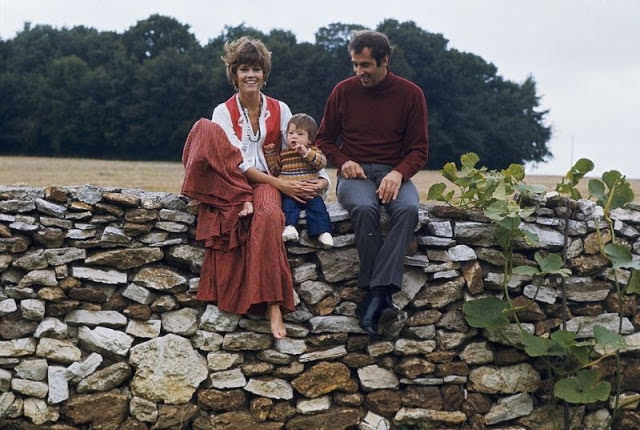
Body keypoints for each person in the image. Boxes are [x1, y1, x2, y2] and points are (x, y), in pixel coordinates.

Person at [181, 36, 328, 339]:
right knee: (207, 135)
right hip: (232, 183)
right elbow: (235, 164)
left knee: (269, 218)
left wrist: (323, 179)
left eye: (256, 69)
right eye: (244, 69)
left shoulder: (280, 108)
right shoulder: (222, 112)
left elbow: (299, 145)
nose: (251, 75)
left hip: (266, 182)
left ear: (265, 73)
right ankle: (261, 299)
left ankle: (274, 304)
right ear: (233, 74)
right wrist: (282, 185)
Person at [316, 30, 429, 338]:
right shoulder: (343, 91)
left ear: (385, 61)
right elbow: (324, 139)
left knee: (407, 209)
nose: (358, 72)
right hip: (356, 174)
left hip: (395, 172)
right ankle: (382, 293)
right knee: (365, 208)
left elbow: (419, 149)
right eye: (355, 64)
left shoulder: (411, 94)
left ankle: (375, 294)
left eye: (365, 65)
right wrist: (343, 161)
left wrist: (399, 173)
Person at [264, 113, 334, 248]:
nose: (294, 136)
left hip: (310, 192)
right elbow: (276, 171)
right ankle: (290, 227)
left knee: (318, 209)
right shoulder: (284, 154)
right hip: (291, 192)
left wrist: (305, 153)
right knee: (288, 207)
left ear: (310, 139)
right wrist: (271, 155)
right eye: (291, 133)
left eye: (300, 134)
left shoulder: (312, 151)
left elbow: (321, 163)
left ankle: (323, 232)